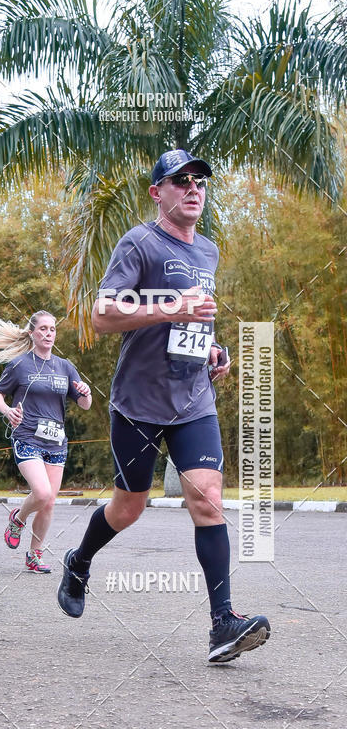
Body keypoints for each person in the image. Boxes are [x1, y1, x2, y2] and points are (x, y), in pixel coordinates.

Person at [57, 149, 271, 663]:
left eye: (199, 180)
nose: (193, 188)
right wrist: (174, 307)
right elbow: (104, 313)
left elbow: (196, 323)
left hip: (194, 398)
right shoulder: (140, 243)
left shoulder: (209, 251)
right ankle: (80, 561)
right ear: (158, 193)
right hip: (139, 402)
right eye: (180, 181)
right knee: (129, 507)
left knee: (208, 498)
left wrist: (213, 350)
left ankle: (223, 622)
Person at [0, 310, 92, 572]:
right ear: (32, 333)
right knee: (41, 493)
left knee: (49, 501)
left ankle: (34, 555)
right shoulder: (20, 365)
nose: (48, 333)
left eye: (52, 329)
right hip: (27, 437)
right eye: (43, 328)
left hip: (56, 443)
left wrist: (86, 392)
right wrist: (7, 411)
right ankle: (18, 519)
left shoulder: (65, 366)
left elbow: (85, 405)